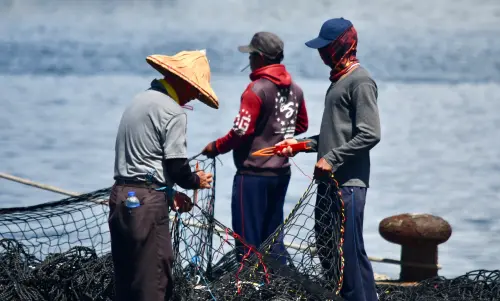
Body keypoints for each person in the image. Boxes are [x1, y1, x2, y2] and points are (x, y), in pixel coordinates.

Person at [277, 18, 381, 301]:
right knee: (329, 248)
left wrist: (333, 158)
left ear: (342, 45)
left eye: (326, 47)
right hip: (328, 181)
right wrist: (300, 145)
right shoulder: (338, 80)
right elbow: (333, 133)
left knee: (347, 254)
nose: (322, 54)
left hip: (348, 184)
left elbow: (370, 134)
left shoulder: (360, 81)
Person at [108, 49, 217, 301]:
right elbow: (178, 168)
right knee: (154, 282)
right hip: (147, 205)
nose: (196, 95)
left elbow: (142, 165)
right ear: (181, 81)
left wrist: (169, 193)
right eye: (195, 89)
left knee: (127, 282)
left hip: (121, 198)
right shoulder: (173, 112)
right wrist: (196, 181)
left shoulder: (140, 100)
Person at [201, 32, 309, 263]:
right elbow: (301, 125)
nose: (248, 60)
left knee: (247, 242)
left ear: (260, 57)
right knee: (273, 239)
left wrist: (215, 147)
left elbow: (241, 132)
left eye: (251, 55)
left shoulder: (256, 90)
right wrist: (276, 135)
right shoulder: (295, 90)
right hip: (281, 173)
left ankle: (249, 290)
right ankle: (277, 288)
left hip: (253, 176)